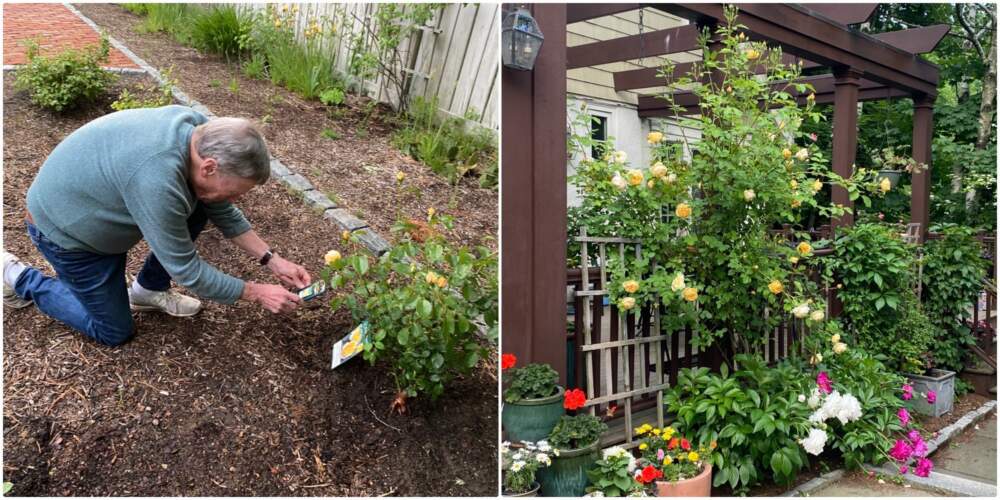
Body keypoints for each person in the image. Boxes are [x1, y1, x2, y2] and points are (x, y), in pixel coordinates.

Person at [3, 105, 310, 346]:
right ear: (210, 166)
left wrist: (273, 260)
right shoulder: (157, 179)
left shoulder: (200, 133)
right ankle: (17, 277)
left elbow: (220, 207)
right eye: (233, 190)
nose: (233, 199)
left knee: (204, 201)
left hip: (98, 208)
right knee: (113, 331)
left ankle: (147, 291)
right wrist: (256, 292)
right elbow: (187, 270)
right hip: (69, 235)